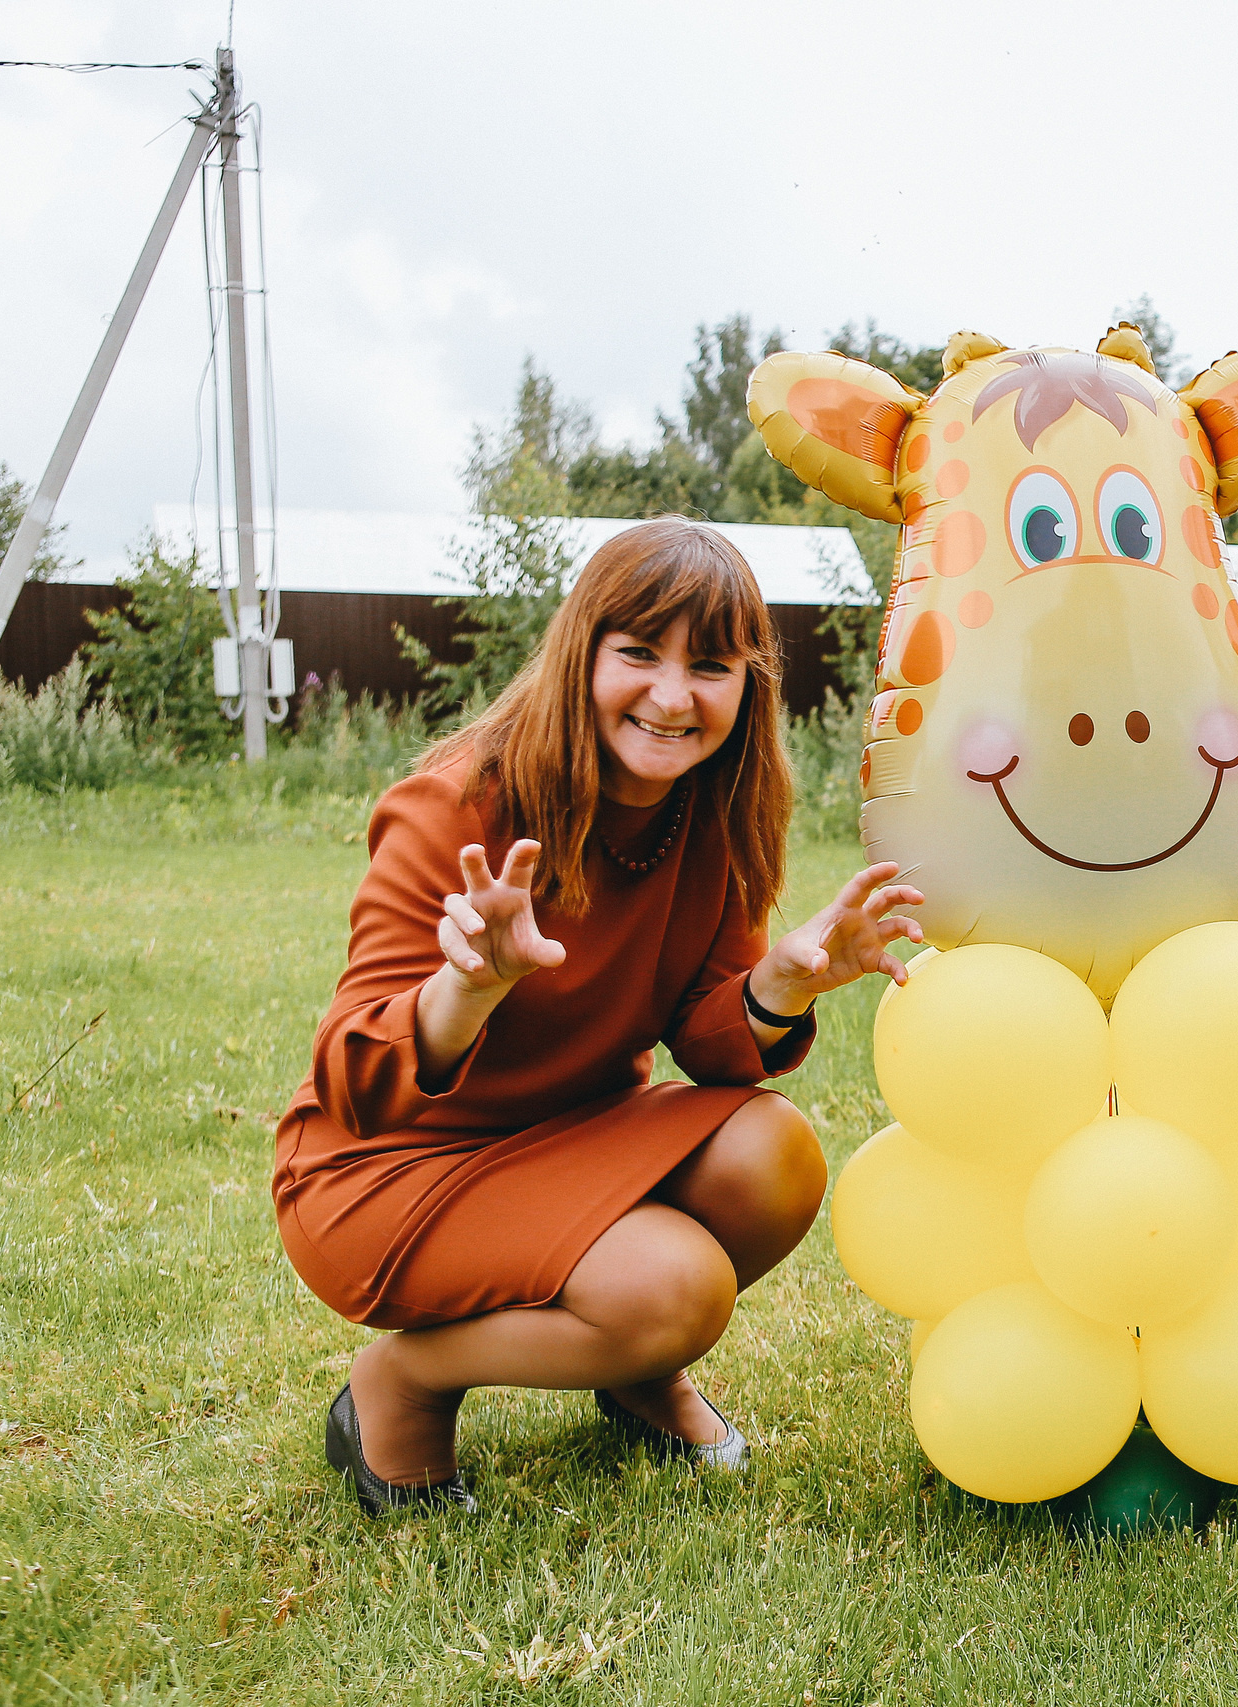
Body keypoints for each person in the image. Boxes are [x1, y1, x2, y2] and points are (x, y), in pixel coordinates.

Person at [272, 518, 923, 1517]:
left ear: (749, 684)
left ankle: (630, 1371)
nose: (672, 697)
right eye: (638, 654)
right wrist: (466, 991)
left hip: (569, 1141)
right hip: (387, 1170)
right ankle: (403, 1384)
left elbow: (705, 1041)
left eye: (710, 665)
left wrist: (778, 986)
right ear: (582, 654)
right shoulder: (457, 808)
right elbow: (352, 1081)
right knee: (672, 1288)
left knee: (773, 1153)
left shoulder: (714, 811)